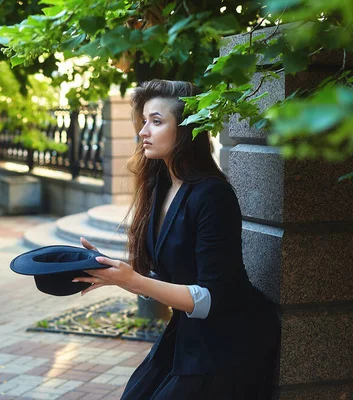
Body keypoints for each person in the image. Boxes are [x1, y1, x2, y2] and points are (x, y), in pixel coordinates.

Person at [74, 80, 280, 399]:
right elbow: (175, 274)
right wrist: (115, 273)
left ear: (186, 130)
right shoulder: (162, 186)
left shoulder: (212, 194)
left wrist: (134, 280)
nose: (144, 131)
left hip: (229, 340)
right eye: (144, 121)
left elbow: (214, 297)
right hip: (189, 333)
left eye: (156, 121)